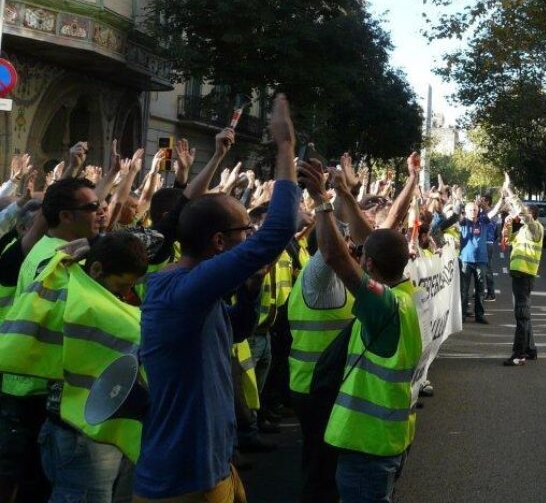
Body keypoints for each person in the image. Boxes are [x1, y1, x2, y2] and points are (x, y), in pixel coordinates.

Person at [133, 95, 299, 502]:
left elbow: (236, 329)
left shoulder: (196, 289)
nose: (252, 236)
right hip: (185, 478)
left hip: (213, 463)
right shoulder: (186, 290)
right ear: (219, 241)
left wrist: (251, 289)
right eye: (246, 229)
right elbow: (278, 232)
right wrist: (285, 148)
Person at [305, 157, 424, 503]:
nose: (356, 254)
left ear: (368, 264)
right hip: (388, 438)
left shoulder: (384, 306)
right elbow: (374, 237)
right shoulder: (405, 292)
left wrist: (322, 201)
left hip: (367, 444)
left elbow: (335, 256)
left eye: (362, 255)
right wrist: (345, 193)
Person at [0, 175, 107, 503]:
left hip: (32, 381)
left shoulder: (53, 249)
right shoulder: (54, 259)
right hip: (35, 387)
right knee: (34, 482)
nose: (100, 211)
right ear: (65, 216)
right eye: (92, 206)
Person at [38, 231, 149, 503]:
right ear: (97, 269)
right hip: (82, 436)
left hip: (84, 429)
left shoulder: (69, 284)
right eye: (121, 285)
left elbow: (157, 238)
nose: (127, 294)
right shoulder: (79, 302)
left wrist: (91, 241)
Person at [500, 176, 543, 366]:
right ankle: (530, 349)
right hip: (519, 275)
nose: (520, 215)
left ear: (531, 215)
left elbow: (523, 215)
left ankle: (519, 354)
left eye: (524, 214)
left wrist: (510, 192)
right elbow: (509, 241)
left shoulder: (535, 229)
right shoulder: (523, 232)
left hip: (525, 275)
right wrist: (508, 227)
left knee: (521, 314)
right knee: (524, 313)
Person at [458, 202, 489, 324]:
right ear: (465, 211)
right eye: (470, 210)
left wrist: (502, 198)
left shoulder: (483, 221)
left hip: (481, 260)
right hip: (466, 260)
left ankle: (479, 315)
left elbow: (493, 212)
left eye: (475, 210)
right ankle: (462, 315)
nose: (473, 212)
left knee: (480, 289)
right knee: (464, 290)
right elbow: (456, 216)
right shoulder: (463, 222)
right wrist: (457, 201)